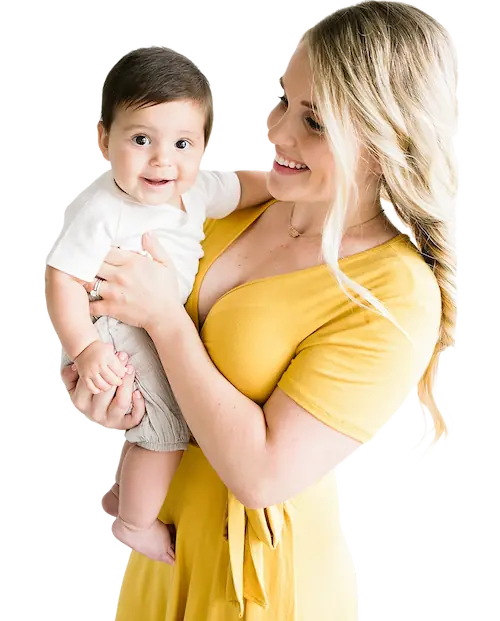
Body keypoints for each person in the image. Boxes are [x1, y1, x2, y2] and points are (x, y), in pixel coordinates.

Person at [60, 1, 461, 619]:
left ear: (388, 141)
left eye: (316, 121)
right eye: (282, 100)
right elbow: (144, 352)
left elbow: (263, 474)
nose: (276, 133)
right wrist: (103, 382)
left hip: (259, 585)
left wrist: (166, 323)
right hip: (162, 551)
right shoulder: (235, 204)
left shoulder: (394, 292)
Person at [44, 45, 271, 564]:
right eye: (141, 139)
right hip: (117, 326)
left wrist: (289, 193)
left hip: (148, 318)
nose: (162, 159)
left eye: (183, 143)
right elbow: (62, 279)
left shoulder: (193, 189)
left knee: (155, 419)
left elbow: (248, 185)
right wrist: (85, 352)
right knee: (166, 428)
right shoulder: (107, 209)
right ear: (102, 140)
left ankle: (124, 497)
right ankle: (133, 522)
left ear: (205, 147)